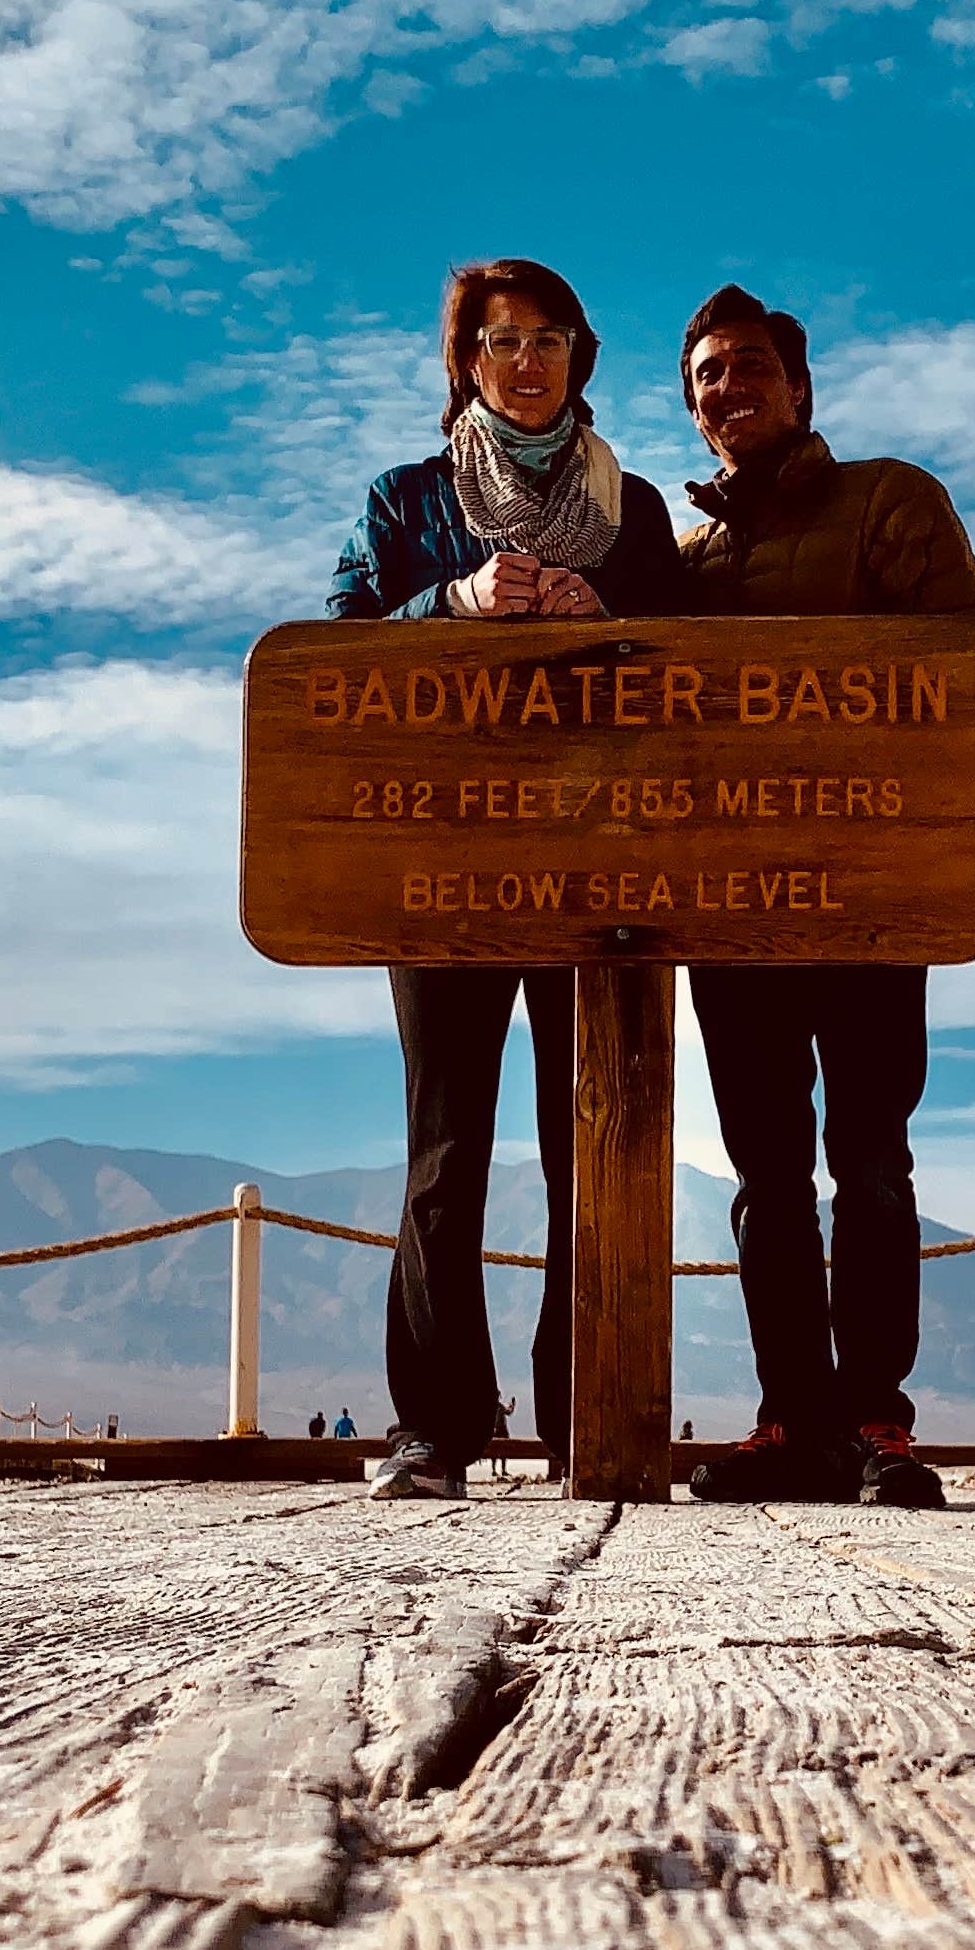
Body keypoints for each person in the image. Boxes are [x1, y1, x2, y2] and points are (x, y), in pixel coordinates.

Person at [330, 257, 683, 1501]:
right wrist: (451, 600)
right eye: (498, 340)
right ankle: (433, 1425)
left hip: (599, 872)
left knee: (592, 1141)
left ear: (582, 355)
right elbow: (335, 661)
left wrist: (611, 622)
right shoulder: (406, 501)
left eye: (547, 337)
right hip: (444, 867)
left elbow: (689, 680)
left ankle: (589, 1412)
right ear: (465, 363)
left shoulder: (635, 514)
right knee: (445, 1150)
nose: (525, 360)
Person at [671, 284, 975, 1511]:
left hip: (868, 894)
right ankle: (790, 1421)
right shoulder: (687, 557)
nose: (727, 387)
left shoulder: (891, 503)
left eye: (749, 366)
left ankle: (874, 1420)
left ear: (800, 387)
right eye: (706, 375)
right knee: (763, 1172)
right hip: (731, 906)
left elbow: (958, 674)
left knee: (869, 1159)